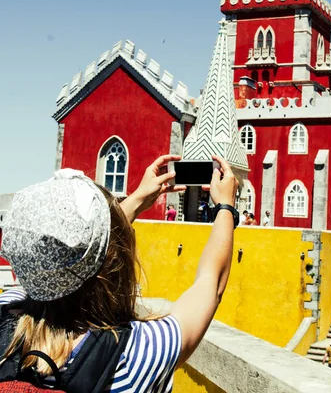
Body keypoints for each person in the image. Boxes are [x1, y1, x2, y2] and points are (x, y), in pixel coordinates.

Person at [0, 153, 238, 392]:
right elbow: (211, 281)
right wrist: (226, 207)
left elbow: (54, 260)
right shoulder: (137, 354)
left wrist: (137, 199)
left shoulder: (5, 314)